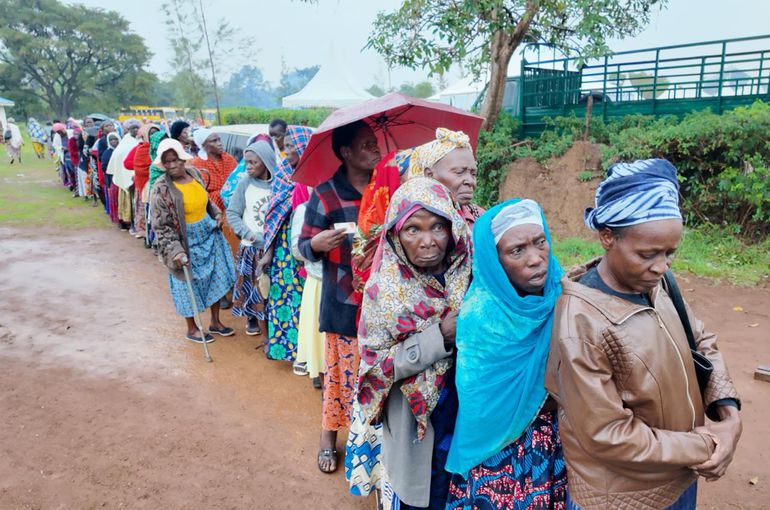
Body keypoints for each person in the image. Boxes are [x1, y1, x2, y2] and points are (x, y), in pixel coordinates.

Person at [545, 159, 742, 510]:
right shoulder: (581, 323)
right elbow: (607, 433)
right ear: (608, 237)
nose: (662, 266)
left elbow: (700, 341)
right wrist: (707, 444)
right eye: (648, 254)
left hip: (680, 474)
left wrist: (728, 413)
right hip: (624, 496)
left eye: (670, 253)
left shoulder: (659, 283)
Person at [357, 177, 472, 509]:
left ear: (453, 228)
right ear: (396, 234)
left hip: (467, 409)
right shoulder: (382, 291)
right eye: (413, 229)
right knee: (425, 495)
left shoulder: (471, 272)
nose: (428, 241)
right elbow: (375, 368)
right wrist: (439, 337)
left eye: (438, 227)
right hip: (418, 422)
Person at [445, 199, 568, 510]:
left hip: (557, 442)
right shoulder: (480, 317)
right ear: (494, 260)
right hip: (498, 450)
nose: (536, 259)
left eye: (540, 242)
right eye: (517, 251)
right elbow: (481, 402)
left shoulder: (564, 295)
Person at [298, 120, 381, 474]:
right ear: (346, 152)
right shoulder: (325, 194)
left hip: (384, 304)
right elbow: (304, 245)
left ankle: (375, 446)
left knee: (377, 380)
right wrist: (316, 244)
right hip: (344, 305)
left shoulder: (387, 188)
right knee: (339, 378)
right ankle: (328, 439)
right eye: (366, 144)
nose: (375, 150)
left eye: (376, 143)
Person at [150, 138, 236, 342]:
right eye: (167, 162)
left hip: (208, 234)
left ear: (183, 159)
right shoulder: (160, 189)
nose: (172, 165)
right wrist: (176, 251)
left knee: (216, 277)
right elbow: (162, 226)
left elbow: (206, 201)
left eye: (175, 160)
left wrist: (216, 214)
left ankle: (215, 322)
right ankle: (192, 328)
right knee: (185, 284)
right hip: (183, 242)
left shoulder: (195, 174)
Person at [260, 126, 313, 362]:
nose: (287, 150)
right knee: (282, 298)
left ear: (304, 147)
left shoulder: (318, 178)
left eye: (292, 146)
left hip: (309, 248)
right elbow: (273, 216)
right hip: (284, 250)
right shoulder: (283, 174)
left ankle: (306, 353)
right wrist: (268, 253)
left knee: (306, 301)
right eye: (286, 145)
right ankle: (283, 349)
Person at [226, 140, 276, 336]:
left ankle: (272, 327)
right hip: (251, 248)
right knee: (255, 290)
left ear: (266, 161)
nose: (248, 166)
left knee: (271, 291)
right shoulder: (245, 183)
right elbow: (232, 213)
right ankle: (258, 327)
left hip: (274, 248)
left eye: (253, 162)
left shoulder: (278, 185)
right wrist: (250, 235)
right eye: (246, 162)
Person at [408, 128, 484, 229]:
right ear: (429, 175)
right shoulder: (409, 223)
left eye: (473, 174)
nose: (470, 181)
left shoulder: (482, 218)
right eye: (459, 172)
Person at [124, 124, 161, 242]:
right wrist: (150, 168)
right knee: (146, 209)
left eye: (156, 132)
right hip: (145, 184)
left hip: (161, 184)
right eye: (151, 133)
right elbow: (128, 163)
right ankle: (146, 233)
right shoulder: (140, 149)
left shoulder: (164, 146)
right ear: (145, 135)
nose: (154, 135)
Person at [189, 128, 238, 211]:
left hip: (235, 205)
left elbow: (239, 180)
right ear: (204, 145)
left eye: (219, 140)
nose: (219, 143)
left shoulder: (229, 159)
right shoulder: (197, 165)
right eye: (214, 141)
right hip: (212, 210)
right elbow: (197, 193)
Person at [108, 121, 141, 230]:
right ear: (128, 130)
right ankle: (130, 223)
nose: (135, 130)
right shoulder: (124, 143)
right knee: (129, 201)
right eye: (133, 128)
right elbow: (118, 159)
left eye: (137, 127)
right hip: (125, 176)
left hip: (138, 176)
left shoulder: (141, 141)